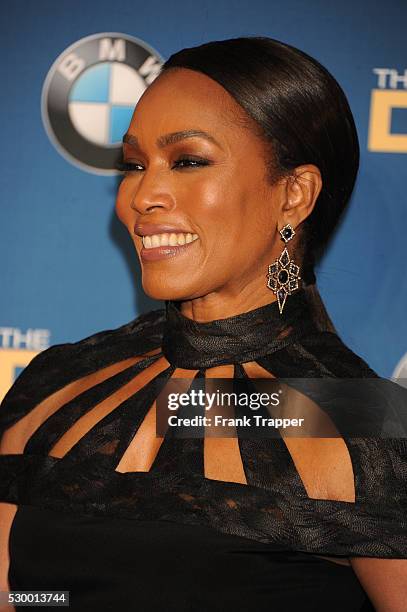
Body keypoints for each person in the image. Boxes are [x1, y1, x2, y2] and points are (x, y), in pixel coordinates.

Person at [0, 36, 406, 612]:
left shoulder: (364, 418)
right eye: (135, 164)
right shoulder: (57, 384)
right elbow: (21, 594)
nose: (143, 194)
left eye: (187, 160)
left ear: (294, 194)